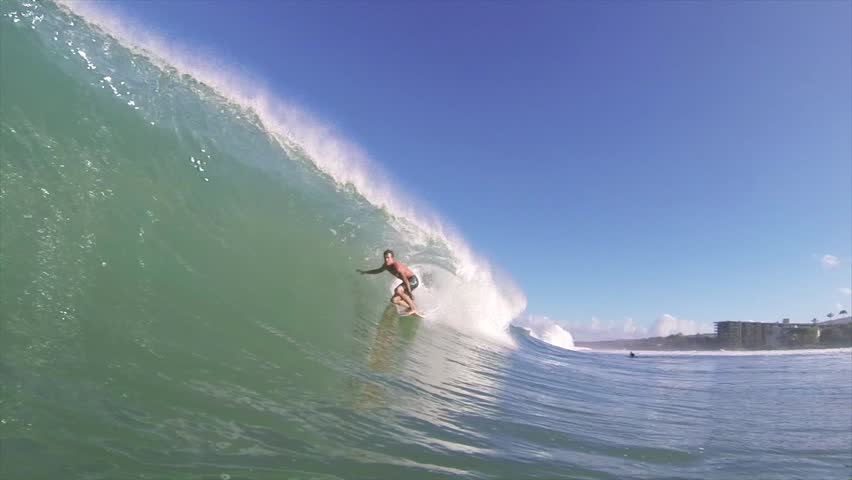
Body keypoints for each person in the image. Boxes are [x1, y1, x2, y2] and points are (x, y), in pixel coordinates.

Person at [357, 249, 422, 316]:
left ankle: (413, 308)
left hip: (412, 280)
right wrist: (365, 272)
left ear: (392, 258)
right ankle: (411, 308)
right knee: (394, 300)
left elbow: (405, 280)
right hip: (408, 282)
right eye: (385, 258)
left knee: (398, 290)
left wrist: (410, 293)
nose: (386, 260)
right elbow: (377, 271)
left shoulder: (397, 267)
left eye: (388, 258)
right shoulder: (386, 266)